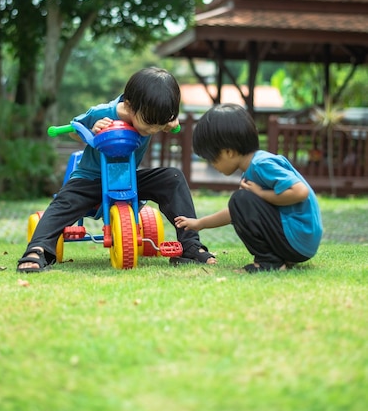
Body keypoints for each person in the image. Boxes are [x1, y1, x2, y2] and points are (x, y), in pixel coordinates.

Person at [17, 67, 216, 272]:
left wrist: (168, 121)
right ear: (129, 106)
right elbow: (75, 130)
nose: (152, 130)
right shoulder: (103, 112)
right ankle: (38, 248)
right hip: (92, 178)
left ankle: (191, 245)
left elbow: (163, 122)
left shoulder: (153, 114)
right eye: (149, 123)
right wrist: (93, 131)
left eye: (159, 124)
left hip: (127, 178)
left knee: (172, 178)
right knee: (64, 201)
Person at [175, 103, 323, 273]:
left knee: (240, 199)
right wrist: (200, 223)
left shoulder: (262, 164)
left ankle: (269, 262)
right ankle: (275, 258)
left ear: (229, 152)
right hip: (299, 241)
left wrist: (262, 193)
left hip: (298, 238)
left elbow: (300, 192)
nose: (212, 165)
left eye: (212, 159)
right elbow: (235, 212)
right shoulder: (253, 170)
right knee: (240, 201)